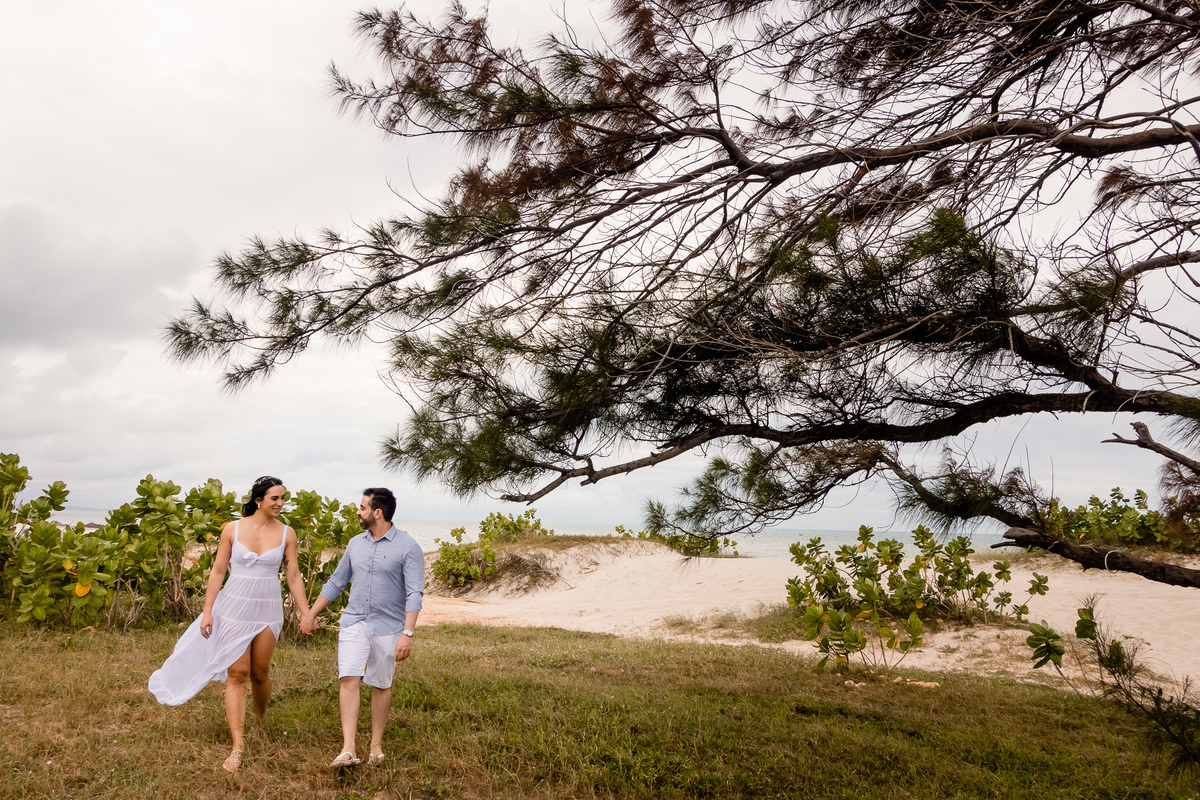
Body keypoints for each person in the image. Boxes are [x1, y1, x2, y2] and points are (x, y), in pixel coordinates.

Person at [148, 476, 311, 772]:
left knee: (260, 674)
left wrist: (306, 612)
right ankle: (238, 745)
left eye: (283, 498)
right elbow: (218, 571)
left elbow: (294, 575)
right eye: (275, 498)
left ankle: (261, 722)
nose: (281, 503)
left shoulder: (288, 533)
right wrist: (208, 611)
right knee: (238, 673)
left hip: (267, 608)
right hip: (234, 607)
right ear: (258, 499)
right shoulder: (232, 529)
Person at [300, 487, 424, 768]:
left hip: (389, 627)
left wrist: (407, 634)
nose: (357, 512)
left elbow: (414, 593)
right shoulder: (356, 543)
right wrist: (310, 614)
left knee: (380, 684)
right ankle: (348, 748)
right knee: (349, 678)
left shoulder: (408, 547)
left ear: (377, 512)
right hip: (354, 621)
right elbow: (336, 582)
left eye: (362, 507)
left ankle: (375, 747)